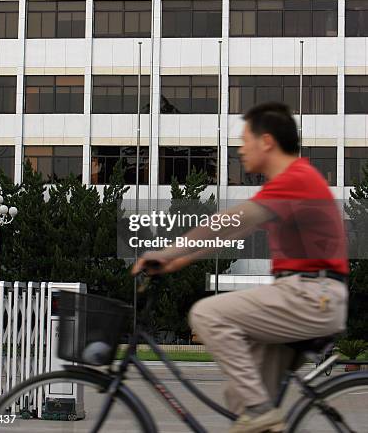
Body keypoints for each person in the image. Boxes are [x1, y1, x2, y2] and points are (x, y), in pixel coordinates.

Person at [133, 102, 349, 433]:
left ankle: (263, 413)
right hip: (308, 295)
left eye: (244, 138)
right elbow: (233, 232)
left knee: (207, 314)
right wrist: (177, 261)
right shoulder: (292, 183)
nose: (239, 148)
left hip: (310, 296)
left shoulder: (295, 179)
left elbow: (229, 222)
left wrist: (167, 251)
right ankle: (262, 415)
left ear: (267, 141)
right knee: (241, 400)